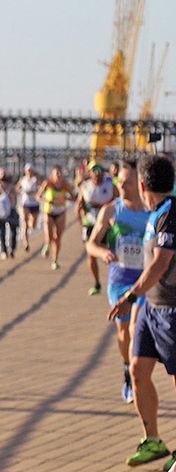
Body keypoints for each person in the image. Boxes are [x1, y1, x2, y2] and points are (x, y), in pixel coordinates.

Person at [114, 154, 176, 470]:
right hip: (151, 309)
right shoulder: (156, 214)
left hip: (171, 309)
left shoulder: (171, 214)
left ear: (141, 185)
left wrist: (130, 294)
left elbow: (160, 262)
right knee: (138, 370)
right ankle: (152, 439)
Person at [87, 157, 150, 406]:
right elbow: (91, 244)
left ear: (140, 182)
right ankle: (128, 369)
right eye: (120, 182)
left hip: (145, 281)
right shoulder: (111, 210)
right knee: (124, 330)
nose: (122, 187)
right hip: (119, 280)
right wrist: (103, 252)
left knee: (136, 328)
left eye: (128, 182)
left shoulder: (151, 211)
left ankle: (137, 373)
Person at [78, 160, 119, 295]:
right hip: (90, 223)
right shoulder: (85, 186)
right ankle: (96, 283)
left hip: (107, 224)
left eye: (99, 170)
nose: (97, 173)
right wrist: (81, 214)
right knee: (91, 254)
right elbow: (80, 203)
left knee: (110, 252)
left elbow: (121, 200)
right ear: (89, 172)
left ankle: (115, 278)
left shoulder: (110, 185)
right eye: (93, 170)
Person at [41, 165, 74, 269]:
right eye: (57, 173)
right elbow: (38, 196)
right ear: (52, 174)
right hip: (49, 211)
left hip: (60, 211)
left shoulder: (65, 184)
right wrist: (47, 200)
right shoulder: (47, 183)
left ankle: (55, 260)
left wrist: (65, 198)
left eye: (60, 173)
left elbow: (73, 197)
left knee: (58, 237)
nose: (59, 175)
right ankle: (47, 245)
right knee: (49, 234)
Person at [0, 170, 19, 259]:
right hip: (9, 209)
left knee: (4, 231)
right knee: (10, 231)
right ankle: (10, 249)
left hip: (2, 211)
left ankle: (6, 250)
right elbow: (15, 197)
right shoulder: (11, 186)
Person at [18, 163, 43, 252]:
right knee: (24, 223)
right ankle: (26, 243)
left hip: (34, 203)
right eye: (27, 170)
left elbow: (42, 187)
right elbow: (17, 188)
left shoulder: (35, 179)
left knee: (33, 225)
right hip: (25, 203)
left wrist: (36, 192)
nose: (29, 172)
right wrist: (21, 191)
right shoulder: (23, 180)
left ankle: (29, 226)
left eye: (30, 170)